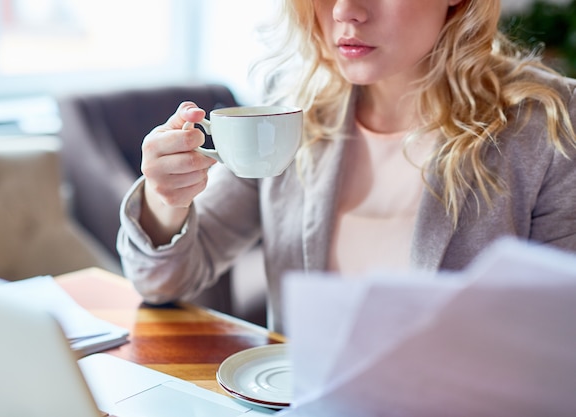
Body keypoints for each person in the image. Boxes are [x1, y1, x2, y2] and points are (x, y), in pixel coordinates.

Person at [117, 0, 576, 333]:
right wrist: (166, 198)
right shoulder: (292, 111)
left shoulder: (547, 122)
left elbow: (559, 333)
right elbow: (159, 281)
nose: (345, 10)